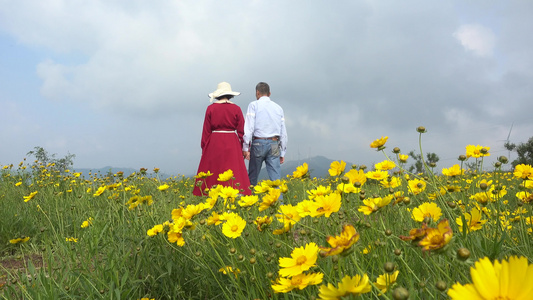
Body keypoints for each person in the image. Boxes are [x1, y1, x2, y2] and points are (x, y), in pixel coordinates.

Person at [193, 82, 251, 196]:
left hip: (214, 142)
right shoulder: (236, 109)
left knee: (215, 169)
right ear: (230, 95)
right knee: (233, 168)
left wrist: (204, 148)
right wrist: (245, 148)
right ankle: (234, 193)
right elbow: (242, 131)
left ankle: (214, 193)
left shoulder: (210, 108)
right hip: (232, 141)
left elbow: (206, 131)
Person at [242, 82, 288, 186]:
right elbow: (283, 132)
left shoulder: (253, 105)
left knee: (252, 178)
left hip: (258, 143)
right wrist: (283, 151)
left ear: (257, 93)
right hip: (274, 143)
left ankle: (250, 201)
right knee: (276, 180)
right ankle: (279, 202)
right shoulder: (278, 108)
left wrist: (245, 148)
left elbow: (249, 128)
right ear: (269, 93)